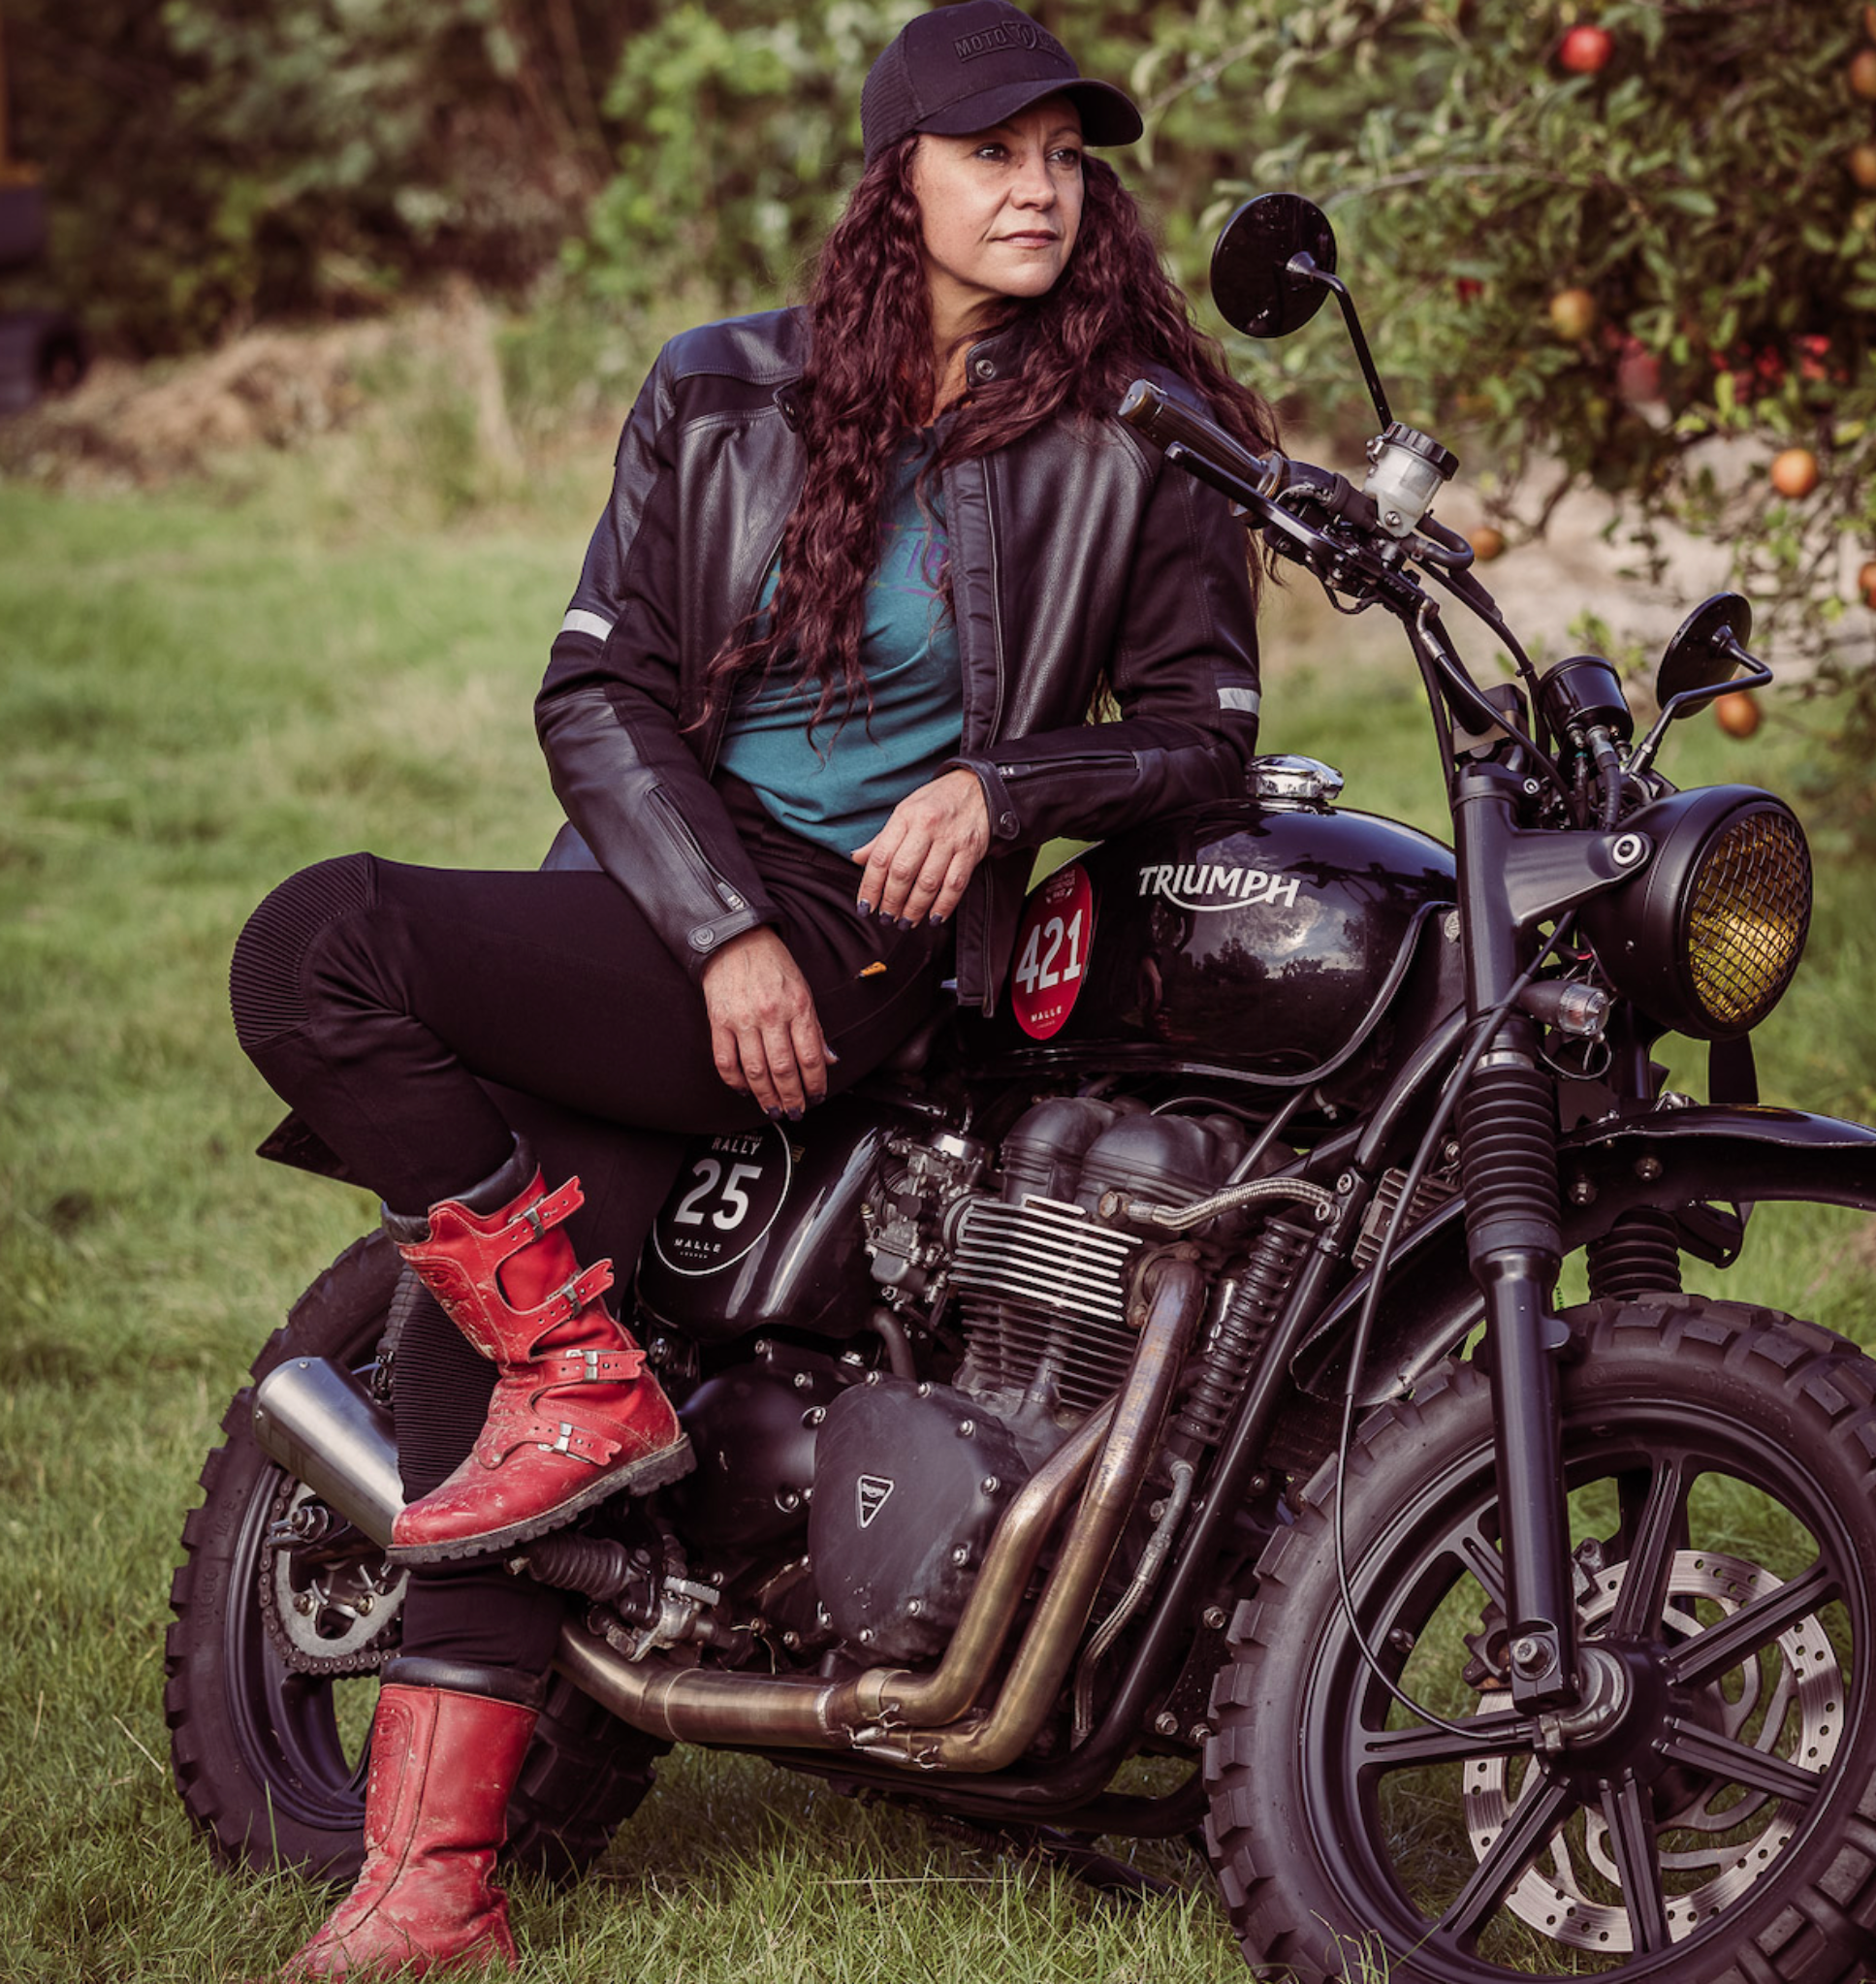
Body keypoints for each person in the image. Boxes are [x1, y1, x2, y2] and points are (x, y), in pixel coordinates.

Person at [227, 2, 1273, 1974]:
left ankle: (568, 1396)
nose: (1039, 187)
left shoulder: (1141, 431)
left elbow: (1204, 732)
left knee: (327, 950)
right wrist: (712, 932)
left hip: (876, 938)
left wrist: (1001, 783)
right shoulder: (720, 391)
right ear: (901, 181)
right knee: (486, 1254)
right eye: (994, 154)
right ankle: (433, 1887)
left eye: (1066, 156)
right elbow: (597, 688)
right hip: (669, 905)